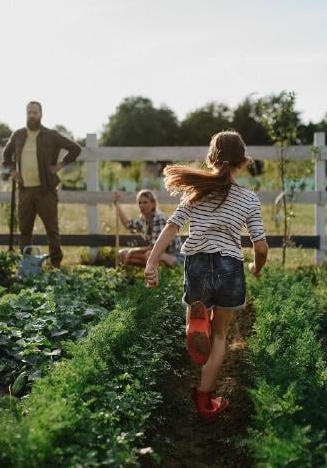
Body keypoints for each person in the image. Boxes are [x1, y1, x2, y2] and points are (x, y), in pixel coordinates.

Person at [144, 130, 268, 423]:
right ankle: (205, 399)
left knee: (200, 319)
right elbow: (261, 247)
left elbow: (172, 228)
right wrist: (256, 268)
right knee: (222, 335)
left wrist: (151, 262)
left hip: (198, 262)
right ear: (243, 161)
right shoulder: (248, 199)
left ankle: (196, 323)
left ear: (211, 158)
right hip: (230, 267)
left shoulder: (195, 192)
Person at [2, 101, 82, 268]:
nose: (32, 116)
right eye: (29, 112)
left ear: (41, 114)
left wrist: (60, 165)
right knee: (25, 230)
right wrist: (12, 171)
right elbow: (6, 154)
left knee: (52, 230)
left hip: (46, 190)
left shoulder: (51, 135)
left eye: (35, 113)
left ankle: (55, 264)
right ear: (26, 114)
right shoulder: (18, 135)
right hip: (25, 191)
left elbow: (75, 148)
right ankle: (28, 265)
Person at [113, 189, 184, 267]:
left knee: (149, 254)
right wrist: (117, 205)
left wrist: (132, 251)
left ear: (153, 203)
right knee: (122, 254)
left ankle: (161, 272)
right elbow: (128, 225)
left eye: (145, 202)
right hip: (159, 254)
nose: (142, 205)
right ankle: (151, 269)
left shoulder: (159, 218)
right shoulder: (144, 219)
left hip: (174, 256)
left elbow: (154, 247)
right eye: (140, 203)